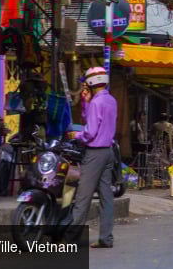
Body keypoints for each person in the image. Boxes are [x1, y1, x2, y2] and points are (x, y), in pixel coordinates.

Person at [66, 67, 117, 248]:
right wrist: (86, 102)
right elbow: (95, 121)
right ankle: (106, 238)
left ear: (92, 82)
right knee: (106, 197)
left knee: (83, 197)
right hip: (108, 152)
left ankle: (70, 239)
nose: (85, 84)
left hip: (95, 154)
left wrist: (77, 136)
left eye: (86, 81)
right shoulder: (111, 100)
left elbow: (90, 131)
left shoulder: (97, 103)